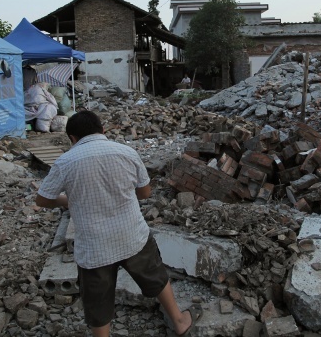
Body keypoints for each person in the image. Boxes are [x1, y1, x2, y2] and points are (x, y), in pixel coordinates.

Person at [35, 111, 202, 336]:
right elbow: (144, 192)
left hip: (94, 247)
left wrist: (68, 200)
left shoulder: (65, 162)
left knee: (98, 300)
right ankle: (180, 320)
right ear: (103, 130)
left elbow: (42, 199)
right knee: (155, 276)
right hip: (132, 235)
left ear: (72, 138)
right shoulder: (126, 152)